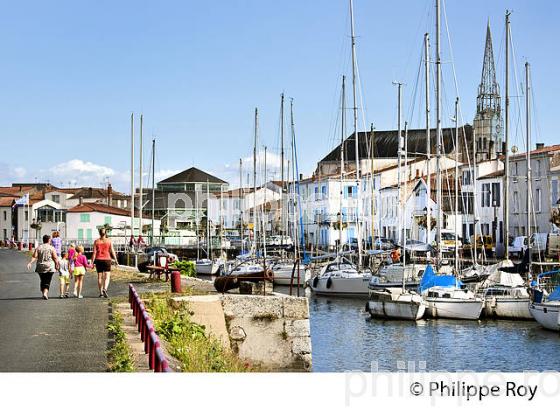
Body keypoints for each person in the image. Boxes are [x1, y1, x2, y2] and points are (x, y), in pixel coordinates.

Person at [27, 234, 60, 300]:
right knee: (48, 280)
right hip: (49, 267)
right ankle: (45, 293)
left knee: (42, 280)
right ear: (49, 240)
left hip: (40, 266)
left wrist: (30, 263)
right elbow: (55, 258)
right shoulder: (51, 248)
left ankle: (43, 293)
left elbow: (34, 256)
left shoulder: (39, 247)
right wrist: (57, 264)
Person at [92, 228, 117, 298]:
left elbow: (94, 253)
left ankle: (101, 293)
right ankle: (105, 289)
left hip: (98, 260)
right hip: (107, 260)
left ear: (99, 233)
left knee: (100, 277)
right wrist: (116, 260)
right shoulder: (109, 241)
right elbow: (112, 251)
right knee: (107, 276)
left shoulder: (96, 241)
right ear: (105, 233)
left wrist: (92, 262)